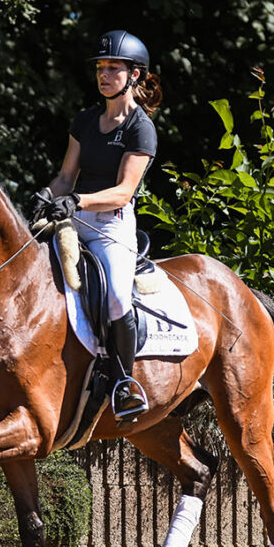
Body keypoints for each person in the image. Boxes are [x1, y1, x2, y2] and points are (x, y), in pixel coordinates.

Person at [34, 29, 163, 422]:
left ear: (135, 75)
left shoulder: (140, 128)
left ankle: (124, 383)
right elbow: (65, 176)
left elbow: (124, 192)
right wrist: (46, 195)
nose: (104, 75)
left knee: (117, 299)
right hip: (73, 218)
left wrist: (76, 200)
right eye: (101, 68)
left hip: (112, 226)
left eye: (113, 68)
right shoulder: (86, 120)